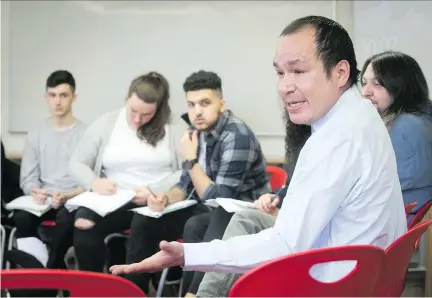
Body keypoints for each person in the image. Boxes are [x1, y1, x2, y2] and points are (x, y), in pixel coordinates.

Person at [110, 15, 408, 292]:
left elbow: (285, 245)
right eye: (280, 73)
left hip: (332, 283)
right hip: (363, 272)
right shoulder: (360, 115)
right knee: (237, 221)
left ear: (340, 72)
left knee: (223, 225)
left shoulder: (336, 138)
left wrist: (186, 254)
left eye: (299, 71)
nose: (284, 87)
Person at [123, 70, 270, 294]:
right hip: (206, 209)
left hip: (240, 213)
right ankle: (134, 292)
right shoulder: (196, 133)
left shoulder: (237, 135)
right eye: (191, 105)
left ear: (221, 104)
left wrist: (191, 159)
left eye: (204, 103)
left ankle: (192, 293)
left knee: (196, 224)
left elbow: (220, 198)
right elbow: (185, 184)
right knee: (144, 221)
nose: (197, 112)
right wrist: (166, 198)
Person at [52, 71, 183, 273]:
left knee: (142, 229)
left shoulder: (175, 127)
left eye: (147, 114)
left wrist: (154, 190)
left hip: (154, 203)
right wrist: (95, 183)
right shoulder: (108, 122)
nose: (138, 119)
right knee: (83, 223)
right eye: (133, 111)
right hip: (113, 200)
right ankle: (93, 289)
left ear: (160, 108)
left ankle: (129, 288)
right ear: (127, 98)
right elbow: (77, 163)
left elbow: (187, 171)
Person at [11, 70, 86, 267]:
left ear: (74, 97)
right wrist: (34, 190)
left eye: (63, 95)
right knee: (21, 219)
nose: (57, 102)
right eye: (52, 95)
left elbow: (89, 179)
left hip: (72, 200)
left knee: (65, 221)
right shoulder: (36, 133)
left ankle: (53, 272)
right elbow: (28, 177)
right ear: (46, 97)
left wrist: (69, 195)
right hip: (43, 200)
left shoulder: (85, 134)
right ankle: (38, 266)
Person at [360, 51, 432, 222]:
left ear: (400, 86)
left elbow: (371, 189)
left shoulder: (403, 128)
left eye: (377, 84)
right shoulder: (422, 117)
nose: (365, 92)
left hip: (385, 226)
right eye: (363, 83)